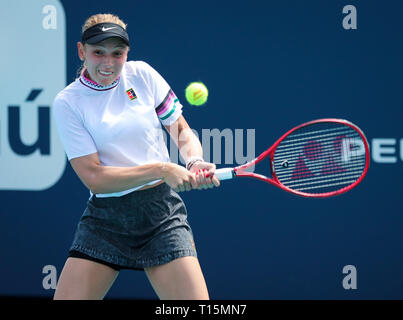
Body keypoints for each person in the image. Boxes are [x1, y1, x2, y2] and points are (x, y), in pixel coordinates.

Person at [52, 13, 220, 300]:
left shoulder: (141, 74)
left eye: (117, 54)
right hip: (106, 220)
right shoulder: (68, 103)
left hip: (161, 215)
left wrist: (193, 160)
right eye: (98, 53)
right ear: (82, 51)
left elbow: (180, 130)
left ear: (127, 53)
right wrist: (162, 169)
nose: (108, 63)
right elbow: (95, 179)